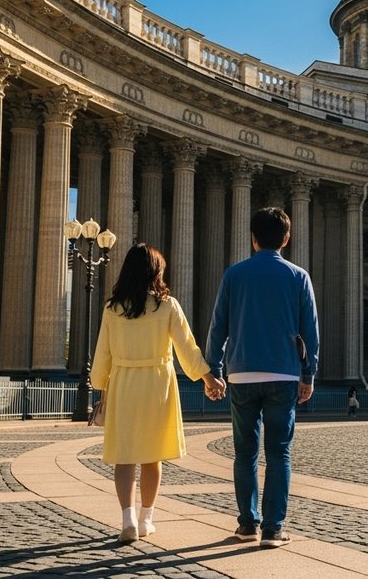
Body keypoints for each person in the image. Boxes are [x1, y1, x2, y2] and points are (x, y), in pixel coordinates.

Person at [91, 243, 225, 543]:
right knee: (152, 458)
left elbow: (103, 354)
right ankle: (146, 519)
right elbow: (187, 349)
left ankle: (126, 519)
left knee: (124, 457)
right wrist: (208, 379)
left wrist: (99, 386)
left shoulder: (113, 308)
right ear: (156, 272)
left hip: (124, 382)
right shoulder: (167, 306)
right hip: (157, 384)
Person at [207, 206, 319, 549]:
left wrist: (213, 369)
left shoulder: (234, 275)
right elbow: (310, 330)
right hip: (284, 373)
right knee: (279, 453)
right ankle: (273, 529)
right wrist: (309, 373)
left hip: (241, 373)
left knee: (245, 454)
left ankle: (247, 524)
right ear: (286, 239)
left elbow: (218, 327)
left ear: (253, 238)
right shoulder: (298, 276)